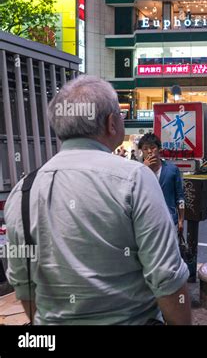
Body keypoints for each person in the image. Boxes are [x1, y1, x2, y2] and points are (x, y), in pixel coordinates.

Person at [4, 75, 191, 325]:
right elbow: (168, 280)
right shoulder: (135, 178)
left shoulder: (22, 192)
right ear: (111, 123)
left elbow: (24, 286)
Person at [138, 133, 185, 235]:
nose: (150, 151)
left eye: (153, 147)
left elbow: (180, 197)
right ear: (141, 151)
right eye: (145, 149)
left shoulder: (172, 170)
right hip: (146, 222)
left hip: (169, 220)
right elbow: (136, 195)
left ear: (159, 149)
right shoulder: (138, 170)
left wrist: (181, 220)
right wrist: (144, 169)